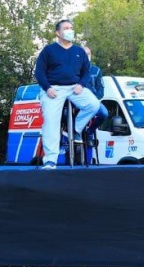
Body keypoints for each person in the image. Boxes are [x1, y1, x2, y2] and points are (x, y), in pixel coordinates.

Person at [35, 19, 101, 169]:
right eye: (66, 28)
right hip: (54, 89)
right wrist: (47, 88)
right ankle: (51, 160)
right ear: (58, 33)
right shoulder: (49, 50)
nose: (70, 30)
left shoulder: (79, 51)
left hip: (74, 88)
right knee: (51, 122)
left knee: (94, 104)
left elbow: (86, 71)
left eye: (71, 27)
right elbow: (39, 72)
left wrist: (81, 84)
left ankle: (74, 130)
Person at [82, 46, 109, 163]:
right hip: (77, 103)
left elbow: (101, 91)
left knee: (104, 113)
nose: (87, 56)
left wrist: (94, 99)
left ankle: (90, 131)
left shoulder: (96, 71)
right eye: (84, 54)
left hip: (92, 102)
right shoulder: (73, 70)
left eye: (88, 53)